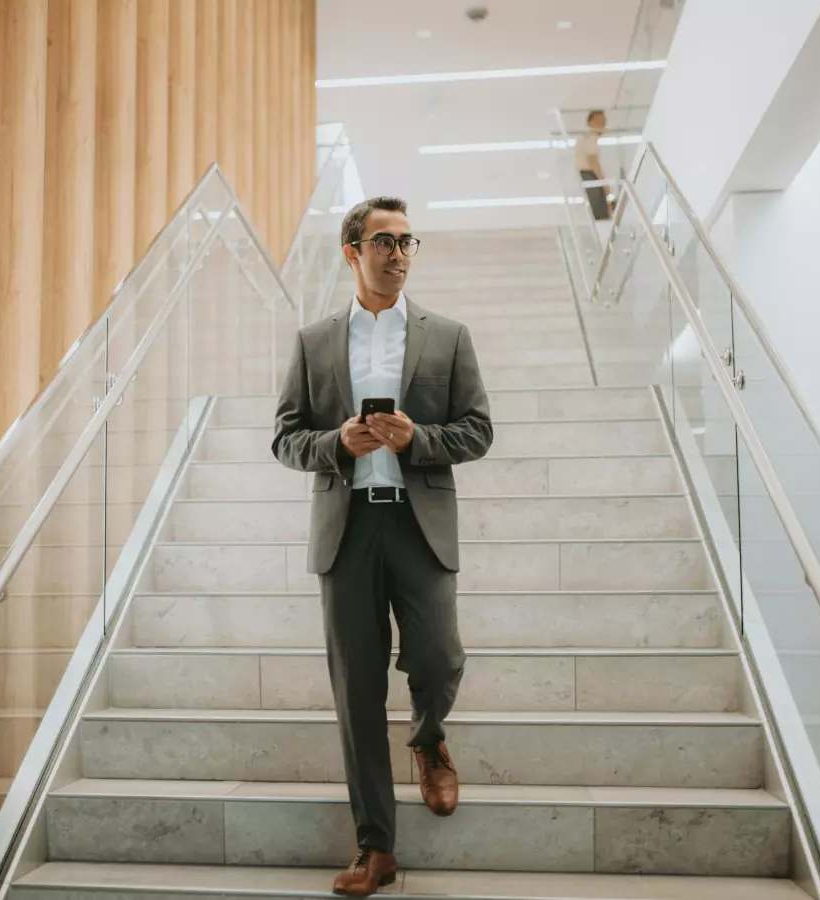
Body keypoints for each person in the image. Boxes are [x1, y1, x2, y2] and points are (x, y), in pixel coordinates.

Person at [271, 197, 494, 897]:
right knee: (357, 690)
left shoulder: (448, 336)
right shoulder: (313, 343)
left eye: (407, 241)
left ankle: (429, 737)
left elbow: (479, 430)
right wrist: (337, 442)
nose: (398, 254)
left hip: (418, 522)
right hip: (348, 528)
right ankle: (377, 847)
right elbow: (284, 438)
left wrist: (415, 439)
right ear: (351, 253)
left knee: (438, 654)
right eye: (383, 242)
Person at [575, 109, 612, 220]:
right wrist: (604, 184)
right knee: (601, 212)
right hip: (590, 175)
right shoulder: (590, 136)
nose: (604, 124)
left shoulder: (585, 136)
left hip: (587, 175)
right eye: (601, 121)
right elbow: (593, 162)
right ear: (592, 121)